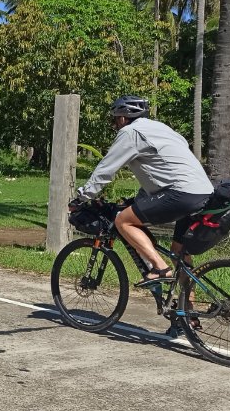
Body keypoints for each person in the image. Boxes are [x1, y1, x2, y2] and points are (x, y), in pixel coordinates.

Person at [72, 96, 213, 286]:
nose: (115, 125)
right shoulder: (162, 129)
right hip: (203, 192)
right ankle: (187, 311)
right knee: (179, 251)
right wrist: (137, 201)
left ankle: (160, 268)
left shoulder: (130, 133)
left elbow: (106, 170)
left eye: (114, 119)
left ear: (122, 118)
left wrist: (81, 197)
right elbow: (161, 172)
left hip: (180, 193)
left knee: (124, 221)